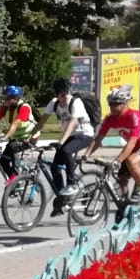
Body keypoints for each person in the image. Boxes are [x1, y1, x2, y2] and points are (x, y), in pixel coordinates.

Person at [85, 86, 140, 198]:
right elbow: (98, 139)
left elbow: (131, 143)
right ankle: (124, 205)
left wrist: (118, 160)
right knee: (122, 180)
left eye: (115, 104)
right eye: (110, 104)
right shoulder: (110, 119)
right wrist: (86, 155)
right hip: (133, 149)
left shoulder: (134, 116)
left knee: (131, 161)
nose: (112, 107)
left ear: (124, 104)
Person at [42, 78, 96, 216]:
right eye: (61, 94)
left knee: (66, 150)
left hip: (84, 134)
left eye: (66, 93)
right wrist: (30, 138)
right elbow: (41, 122)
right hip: (70, 136)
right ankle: (62, 197)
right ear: (56, 94)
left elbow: (73, 123)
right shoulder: (53, 104)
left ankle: (72, 183)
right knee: (55, 167)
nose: (65, 96)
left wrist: (61, 141)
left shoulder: (75, 102)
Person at [0, 85, 38, 179]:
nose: (4, 101)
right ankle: (14, 184)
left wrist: (5, 137)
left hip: (30, 137)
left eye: (7, 98)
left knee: (13, 147)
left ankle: (16, 177)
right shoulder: (6, 107)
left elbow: (15, 124)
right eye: (4, 98)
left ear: (15, 98)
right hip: (16, 138)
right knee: (3, 161)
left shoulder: (24, 107)